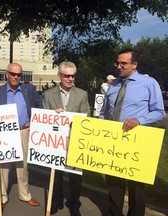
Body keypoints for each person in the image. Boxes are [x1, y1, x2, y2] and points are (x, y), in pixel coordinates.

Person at [99, 48, 165, 216]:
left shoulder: (149, 83)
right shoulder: (113, 85)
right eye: (117, 63)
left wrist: (139, 120)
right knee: (114, 183)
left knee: (137, 187)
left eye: (124, 63)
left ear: (134, 65)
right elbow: (104, 112)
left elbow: (159, 112)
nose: (119, 67)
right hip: (113, 141)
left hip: (136, 143)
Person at [0, 62, 43, 210]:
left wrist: (33, 122)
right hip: (5, 133)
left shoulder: (29, 89)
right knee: (3, 167)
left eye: (19, 74)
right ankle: (1, 197)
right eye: (13, 74)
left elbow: (40, 107)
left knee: (23, 166)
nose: (16, 77)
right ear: (7, 74)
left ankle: (25, 195)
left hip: (23, 132)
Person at [43, 61, 90, 215]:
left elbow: (86, 117)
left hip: (74, 141)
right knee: (56, 174)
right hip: (55, 142)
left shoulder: (82, 94)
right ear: (59, 76)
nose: (70, 79)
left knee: (75, 176)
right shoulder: (49, 94)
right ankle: (56, 201)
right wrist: (53, 116)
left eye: (73, 76)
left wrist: (70, 119)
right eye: (67, 76)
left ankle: (75, 204)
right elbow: (43, 118)